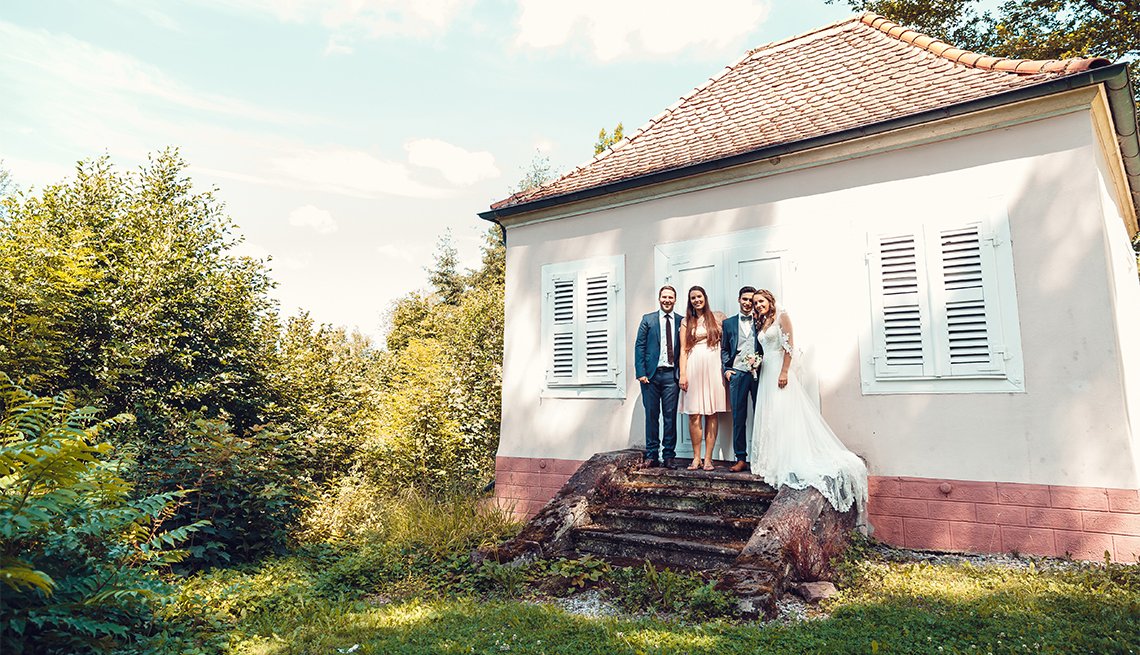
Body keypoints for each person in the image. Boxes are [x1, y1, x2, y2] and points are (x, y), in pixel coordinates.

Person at [749, 289, 868, 521]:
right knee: (771, 415)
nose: (758, 305)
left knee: (784, 414)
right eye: (755, 303)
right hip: (766, 373)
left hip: (779, 373)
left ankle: (789, 456)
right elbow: (764, 348)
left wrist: (784, 371)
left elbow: (790, 347)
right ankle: (772, 457)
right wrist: (756, 362)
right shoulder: (761, 322)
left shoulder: (782, 316)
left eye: (761, 301)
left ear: (770, 301)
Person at [678, 285, 728, 471]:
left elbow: (733, 338)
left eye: (699, 296)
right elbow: (683, 349)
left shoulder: (719, 317)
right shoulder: (686, 322)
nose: (696, 300)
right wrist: (683, 374)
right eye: (693, 298)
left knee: (712, 413)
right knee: (694, 414)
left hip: (714, 367)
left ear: (705, 297)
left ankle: (708, 459)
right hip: (693, 366)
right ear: (690, 301)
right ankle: (696, 457)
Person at [634, 285, 682, 469]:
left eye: (670, 297)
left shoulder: (681, 321)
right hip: (651, 377)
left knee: (670, 417)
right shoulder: (648, 320)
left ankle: (669, 455)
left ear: (675, 300)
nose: (667, 300)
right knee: (652, 416)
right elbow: (639, 346)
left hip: (672, 376)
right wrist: (641, 373)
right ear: (659, 298)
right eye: (664, 297)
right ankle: (652, 455)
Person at [721, 286, 761, 473]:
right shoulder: (728, 323)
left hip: (759, 373)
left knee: (762, 415)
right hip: (737, 373)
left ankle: (762, 457)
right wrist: (727, 369)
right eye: (745, 299)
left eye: (751, 301)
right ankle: (741, 458)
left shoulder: (761, 321)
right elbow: (724, 349)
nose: (748, 303)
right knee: (739, 417)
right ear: (739, 300)